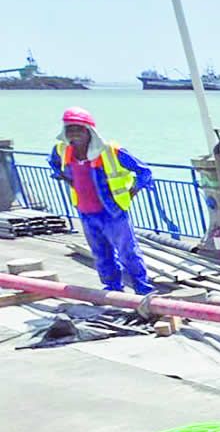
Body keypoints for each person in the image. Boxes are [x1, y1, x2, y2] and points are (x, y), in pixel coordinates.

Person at [46, 107, 155, 295]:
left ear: (89, 131)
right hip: (85, 212)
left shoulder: (111, 152)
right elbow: (52, 162)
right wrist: (64, 177)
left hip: (112, 212)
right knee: (101, 254)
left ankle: (142, 289)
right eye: (70, 129)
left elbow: (144, 171)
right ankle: (112, 289)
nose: (74, 133)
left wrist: (133, 191)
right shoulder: (61, 150)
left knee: (127, 253)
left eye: (79, 129)